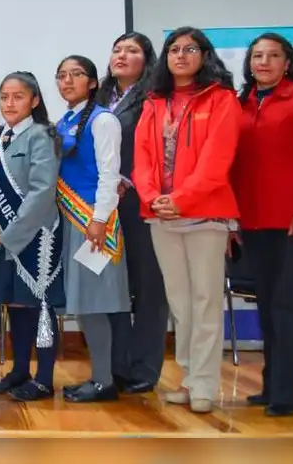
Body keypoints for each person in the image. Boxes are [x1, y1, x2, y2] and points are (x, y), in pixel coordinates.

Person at [133, 26, 241, 414]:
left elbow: (217, 160)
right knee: (180, 303)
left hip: (205, 215)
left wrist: (180, 198)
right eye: (174, 49)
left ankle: (206, 386)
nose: (181, 55)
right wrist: (151, 197)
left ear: (204, 55)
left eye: (190, 49)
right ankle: (190, 376)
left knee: (206, 300)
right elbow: (142, 158)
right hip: (160, 216)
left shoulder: (222, 99)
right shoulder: (154, 102)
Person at [231, 33, 293, 417]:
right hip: (253, 222)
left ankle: (287, 394)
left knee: (289, 308)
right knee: (268, 307)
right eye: (257, 55)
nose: (264, 62)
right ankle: (271, 387)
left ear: (287, 62)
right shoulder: (241, 103)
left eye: (273, 55)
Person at [0, 72, 64, 402]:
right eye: (4, 97)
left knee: (39, 306)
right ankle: (20, 371)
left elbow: (42, 191)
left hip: (37, 236)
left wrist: (11, 233)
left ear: (34, 100)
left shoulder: (41, 135)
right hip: (4, 235)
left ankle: (44, 379)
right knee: (15, 306)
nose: (9, 103)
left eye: (18, 97)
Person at [93, 32, 166, 394]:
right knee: (112, 286)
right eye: (117, 49)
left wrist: (127, 179)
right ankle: (116, 364)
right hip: (103, 208)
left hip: (141, 205)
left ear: (147, 59)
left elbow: (157, 150)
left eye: (132, 51)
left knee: (149, 287)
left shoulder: (154, 98)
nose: (122, 55)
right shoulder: (101, 97)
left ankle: (145, 368)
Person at [54, 56, 129, 403]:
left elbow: (109, 174)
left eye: (76, 75)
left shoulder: (103, 120)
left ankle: (104, 381)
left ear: (94, 82)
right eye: (62, 76)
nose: (68, 81)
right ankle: (102, 376)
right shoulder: (64, 120)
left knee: (95, 304)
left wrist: (98, 220)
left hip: (93, 225)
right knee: (85, 304)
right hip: (73, 222)